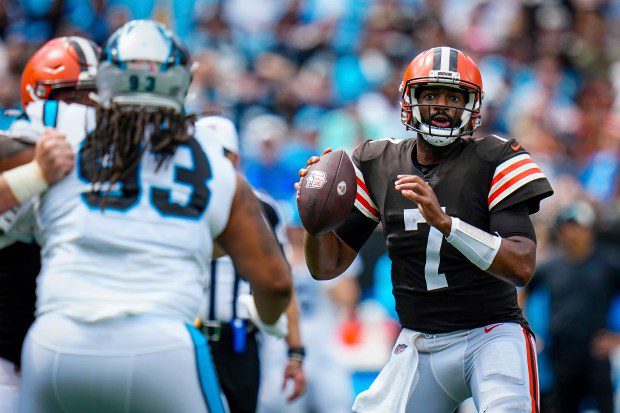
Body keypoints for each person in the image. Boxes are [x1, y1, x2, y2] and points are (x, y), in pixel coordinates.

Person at [18, 20, 292, 413]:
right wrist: (270, 322)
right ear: (182, 82)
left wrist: (31, 177)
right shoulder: (212, 160)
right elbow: (276, 282)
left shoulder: (62, 126)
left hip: (55, 343)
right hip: (161, 346)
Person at [296, 46, 553, 412]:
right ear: (409, 100)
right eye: (430, 94)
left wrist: (448, 225)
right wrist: (314, 220)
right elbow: (326, 268)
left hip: (492, 334)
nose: (441, 105)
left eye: (453, 96)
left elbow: (522, 266)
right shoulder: (377, 162)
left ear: (473, 106)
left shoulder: (496, 158)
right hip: (420, 340)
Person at [0, 36, 98, 413]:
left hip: (78, 360)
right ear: (38, 95)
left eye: (96, 97)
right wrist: (36, 174)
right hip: (10, 363)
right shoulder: (15, 147)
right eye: (74, 96)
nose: (88, 108)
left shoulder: (113, 159)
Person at [195, 115, 306, 413]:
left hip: (238, 340)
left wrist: (295, 353)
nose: (212, 163)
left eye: (220, 155)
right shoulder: (179, 202)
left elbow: (283, 282)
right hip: (187, 336)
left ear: (236, 158)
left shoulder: (262, 208)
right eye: (204, 154)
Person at [525, 201, 620, 413]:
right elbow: (522, 289)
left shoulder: (608, 264)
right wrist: (527, 330)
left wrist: (617, 338)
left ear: (591, 230)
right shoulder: (551, 266)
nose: (572, 233)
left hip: (596, 355)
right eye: (566, 227)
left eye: (577, 227)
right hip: (560, 356)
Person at [258, 215, 360, 413]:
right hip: (280, 351)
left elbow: (349, 298)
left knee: (336, 404)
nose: (297, 234)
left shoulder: (331, 248)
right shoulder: (272, 254)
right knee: (281, 405)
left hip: (324, 350)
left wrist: (321, 266)